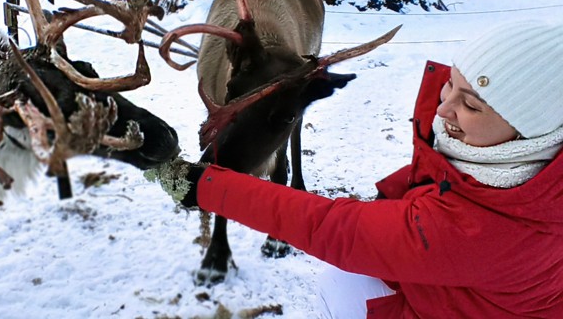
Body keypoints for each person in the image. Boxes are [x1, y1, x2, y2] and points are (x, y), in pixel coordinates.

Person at [163, 20, 563, 318]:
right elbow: (434, 186)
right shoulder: (519, 168)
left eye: (471, 104)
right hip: (476, 297)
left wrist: (206, 185)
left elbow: (332, 228)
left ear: (530, 128)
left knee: (340, 280)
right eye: (449, 85)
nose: (442, 108)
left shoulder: (483, 232)